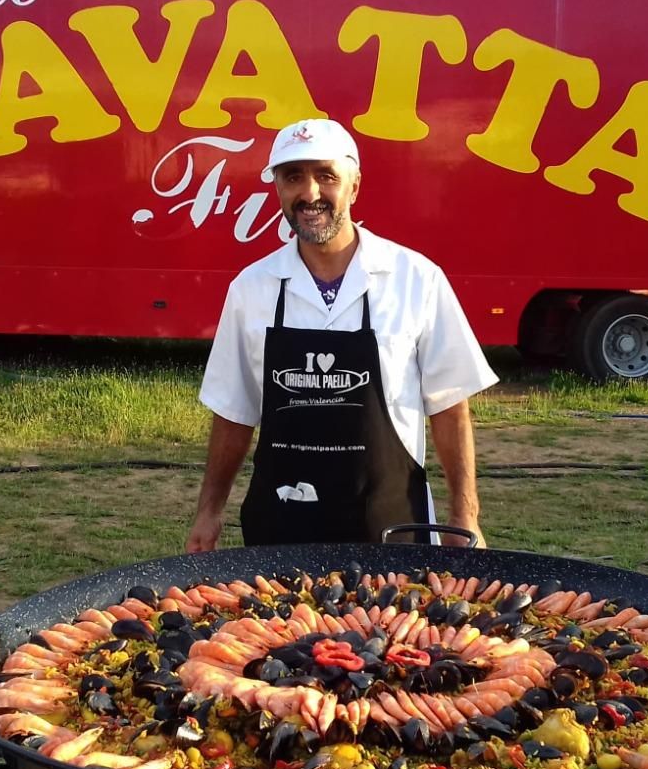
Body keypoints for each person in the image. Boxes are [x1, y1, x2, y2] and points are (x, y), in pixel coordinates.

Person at [186, 118, 498, 552]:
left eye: (326, 176)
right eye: (293, 177)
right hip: (280, 528)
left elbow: (449, 407)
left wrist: (465, 516)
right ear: (277, 188)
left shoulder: (415, 279)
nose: (309, 193)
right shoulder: (251, 289)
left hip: (391, 529)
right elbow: (233, 411)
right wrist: (208, 512)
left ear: (353, 187)